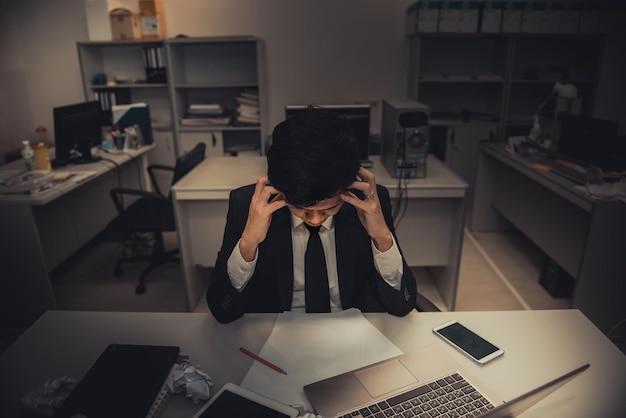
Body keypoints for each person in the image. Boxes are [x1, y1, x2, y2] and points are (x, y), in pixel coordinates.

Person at [207, 106, 416, 323]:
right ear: (280, 188)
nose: (315, 219)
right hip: (275, 336)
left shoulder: (367, 202)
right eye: (302, 209)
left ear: (347, 188)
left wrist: (382, 238)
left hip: (349, 333)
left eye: (328, 208)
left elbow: (401, 305)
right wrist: (248, 243)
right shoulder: (248, 204)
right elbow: (223, 310)